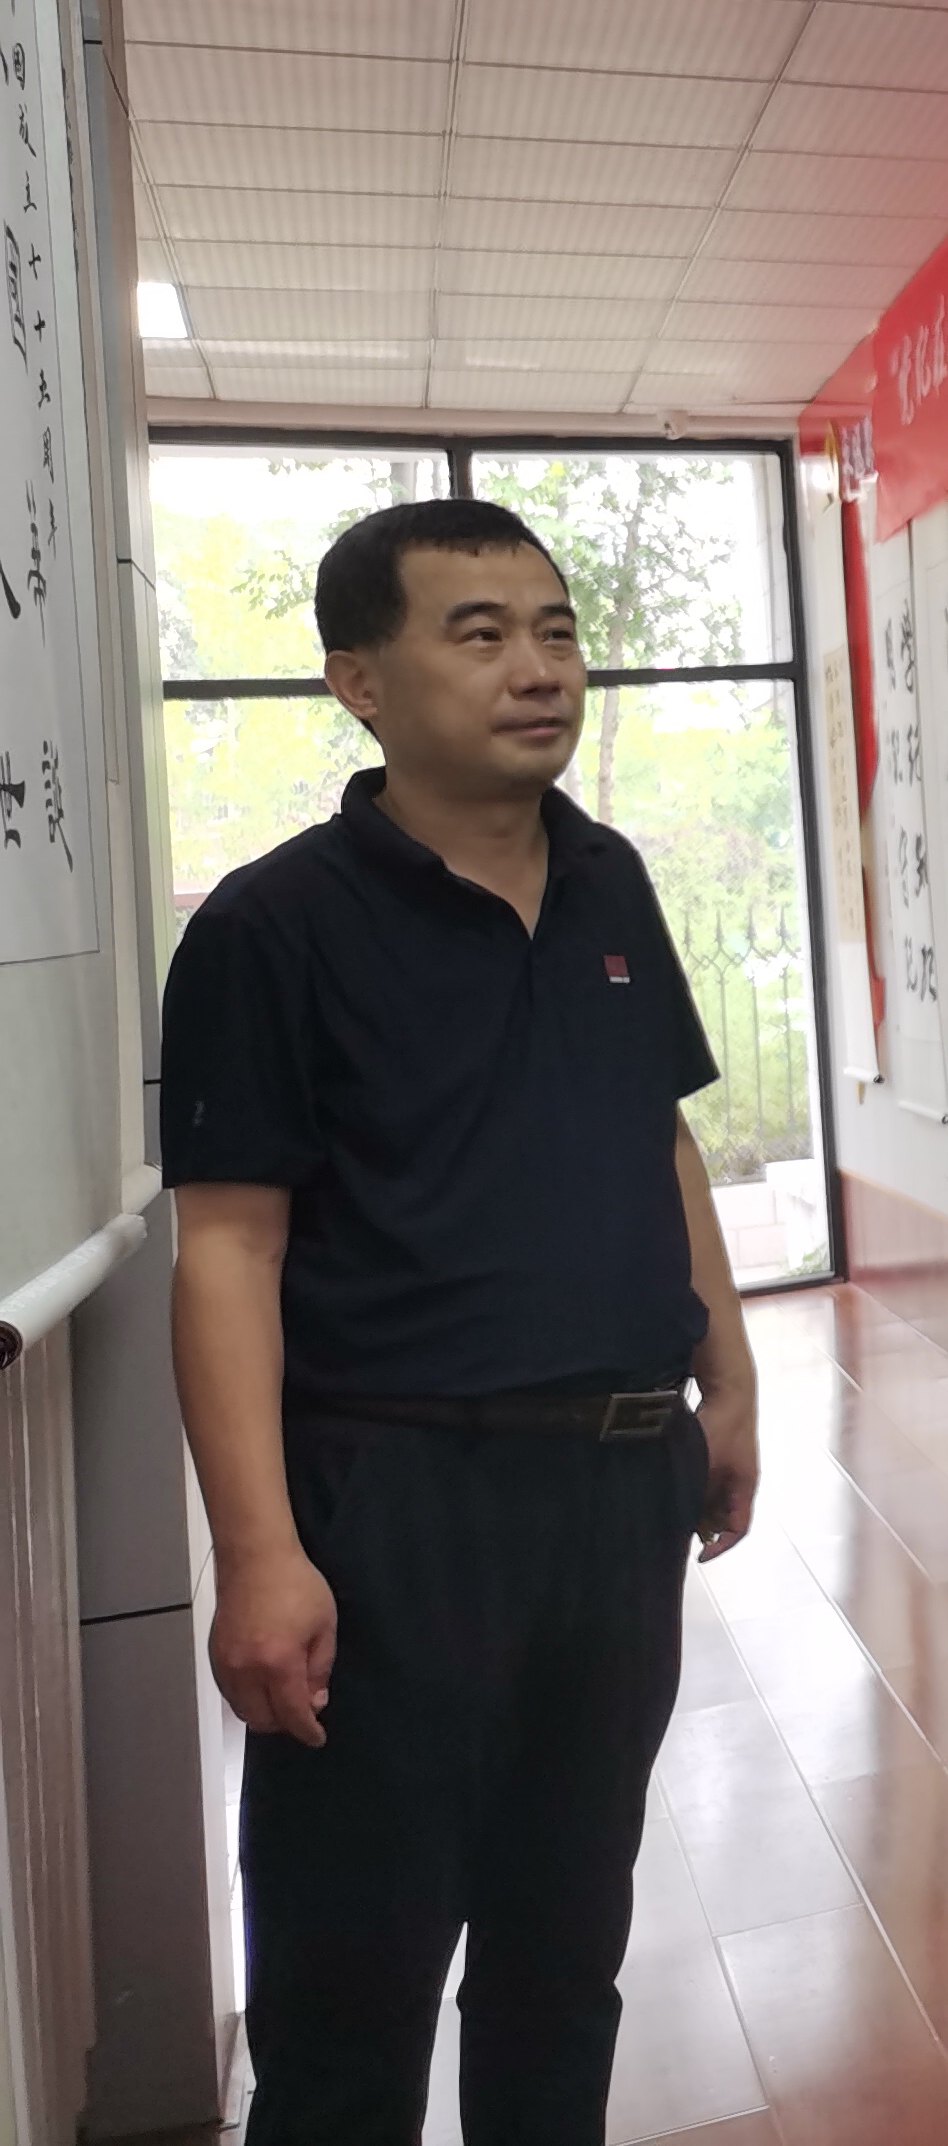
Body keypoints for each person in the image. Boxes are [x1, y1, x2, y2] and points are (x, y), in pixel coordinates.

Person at [161, 495, 762, 2142]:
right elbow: (227, 1253)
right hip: (397, 1502)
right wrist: (259, 1553)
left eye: (555, 631)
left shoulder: (610, 877)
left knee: (564, 1963)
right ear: (360, 681)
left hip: (617, 1488)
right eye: (479, 634)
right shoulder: (269, 927)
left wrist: (727, 1382)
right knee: (348, 1999)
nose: (538, 668)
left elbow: (662, 1137)